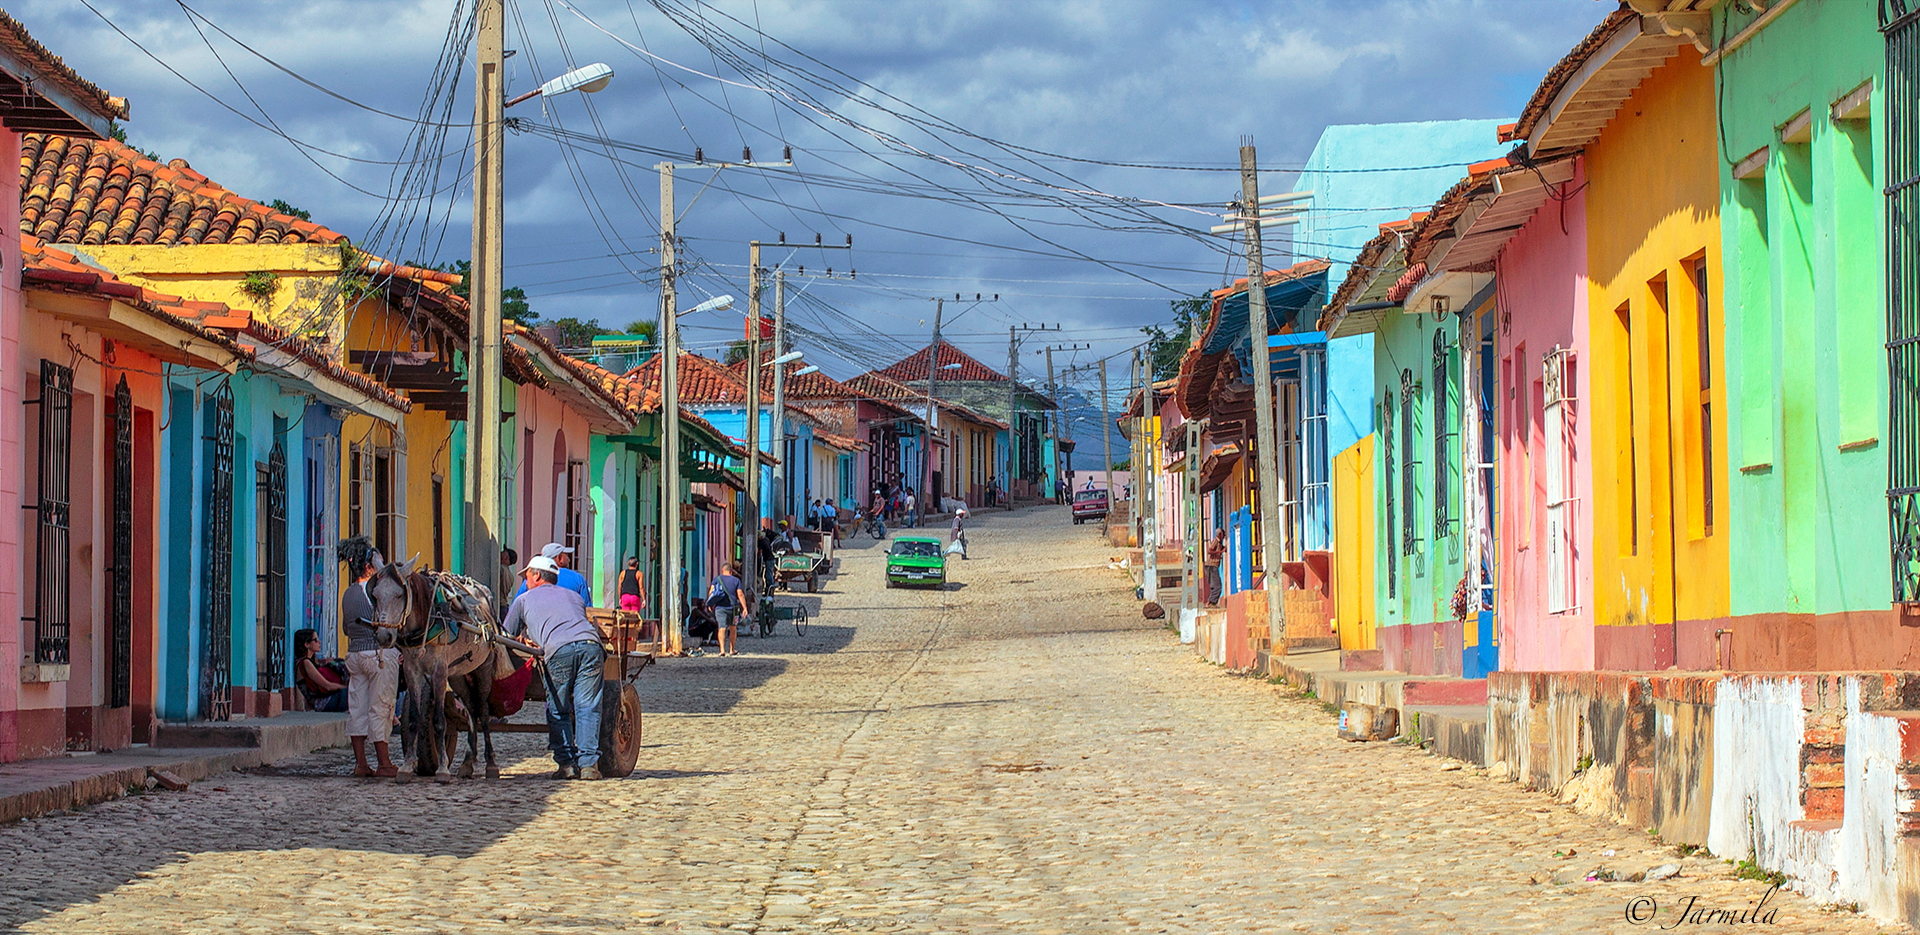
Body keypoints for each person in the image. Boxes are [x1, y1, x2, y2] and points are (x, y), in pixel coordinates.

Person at [503, 554, 607, 781]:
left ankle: (567, 765)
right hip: (592, 647)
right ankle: (589, 765)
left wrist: (524, 639)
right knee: (587, 706)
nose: (525, 581)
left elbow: (506, 636)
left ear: (537, 575)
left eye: (527, 576)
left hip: (559, 650)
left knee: (558, 708)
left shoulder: (523, 600)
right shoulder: (573, 597)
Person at [337, 536, 399, 779]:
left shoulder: (348, 594)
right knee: (381, 707)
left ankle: (361, 763)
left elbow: (345, 627)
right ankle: (384, 763)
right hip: (377, 654)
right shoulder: (375, 592)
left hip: (354, 654)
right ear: (369, 566)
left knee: (358, 709)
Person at [514, 542, 592, 606]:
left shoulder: (532, 578)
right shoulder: (577, 578)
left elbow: (517, 604)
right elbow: (587, 609)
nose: (569, 559)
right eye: (567, 556)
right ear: (559, 558)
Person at [293, 628, 348, 713]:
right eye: (315, 640)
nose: (319, 642)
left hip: (324, 701)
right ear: (307, 644)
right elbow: (327, 686)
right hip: (322, 704)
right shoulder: (305, 663)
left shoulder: (311, 662)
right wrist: (348, 688)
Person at [706, 562, 750, 656]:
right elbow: (740, 594)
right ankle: (731, 649)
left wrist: (710, 604)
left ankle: (722, 650)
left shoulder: (717, 579)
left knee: (721, 628)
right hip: (733, 608)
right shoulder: (736, 580)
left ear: (722, 570)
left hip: (720, 608)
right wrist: (744, 608)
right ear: (731, 571)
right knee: (733, 628)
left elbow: (711, 592)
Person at [1204, 528, 1227, 607]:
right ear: (1220, 534)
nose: (1224, 536)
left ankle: (1211, 603)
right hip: (1211, 566)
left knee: (1215, 586)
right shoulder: (1215, 541)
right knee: (1217, 586)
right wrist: (1220, 552)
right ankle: (1210, 603)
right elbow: (1209, 551)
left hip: (1213, 566)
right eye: (1223, 535)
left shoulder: (1219, 543)